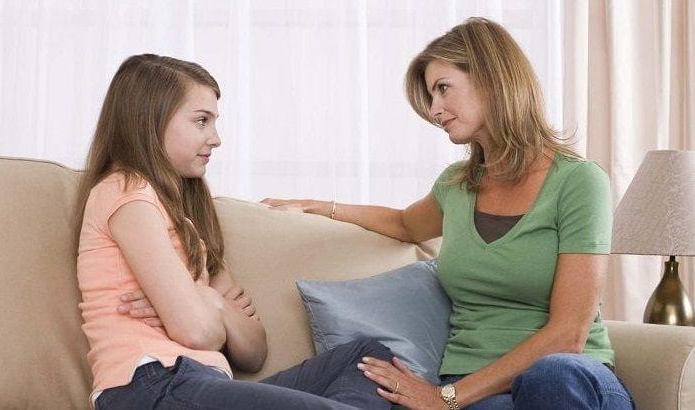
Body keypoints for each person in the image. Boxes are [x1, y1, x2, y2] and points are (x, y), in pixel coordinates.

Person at [262, 18, 635, 409]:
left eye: (443, 89)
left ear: (491, 79)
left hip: (570, 384)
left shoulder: (579, 182)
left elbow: (569, 335)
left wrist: (446, 398)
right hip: (476, 389)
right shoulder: (456, 185)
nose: (434, 110)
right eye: (430, 96)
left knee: (552, 374)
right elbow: (404, 224)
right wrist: (321, 207)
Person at [75, 54, 393, 410]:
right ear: (149, 121)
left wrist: (210, 301)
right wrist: (208, 307)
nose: (216, 139)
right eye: (201, 121)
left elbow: (253, 352)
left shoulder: (188, 224)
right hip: (151, 385)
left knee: (370, 358)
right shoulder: (125, 191)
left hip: (200, 384)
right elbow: (196, 332)